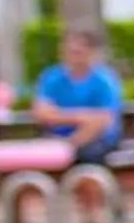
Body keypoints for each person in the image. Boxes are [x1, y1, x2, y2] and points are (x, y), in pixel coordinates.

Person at [31, 27, 125, 166]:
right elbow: (41, 113)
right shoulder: (51, 77)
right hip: (55, 139)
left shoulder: (105, 81)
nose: (73, 55)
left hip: (96, 142)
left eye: (78, 52)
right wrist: (82, 117)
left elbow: (102, 121)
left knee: (87, 156)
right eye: (69, 50)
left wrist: (70, 144)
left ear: (92, 52)